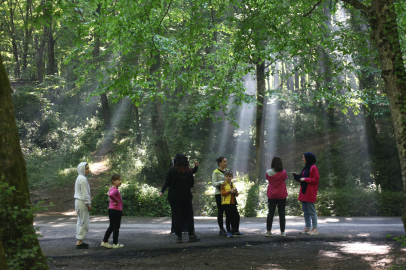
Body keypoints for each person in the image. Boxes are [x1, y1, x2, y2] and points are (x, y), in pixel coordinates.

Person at [166, 153, 200, 243]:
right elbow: (191, 184)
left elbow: (168, 183)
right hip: (186, 197)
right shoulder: (188, 172)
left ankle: (179, 236)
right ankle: (191, 235)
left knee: (177, 216)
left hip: (174, 197)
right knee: (189, 216)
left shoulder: (171, 171)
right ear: (186, 162)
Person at [292, 152, 320, 235]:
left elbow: (316, 180)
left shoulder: (313, 168)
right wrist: (297, 176)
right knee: (305, 211)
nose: (302, 159)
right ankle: (307, 227)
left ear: (308, 158)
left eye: (304, 157)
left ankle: (315, 229)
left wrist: (305, 179)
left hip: (310, 192)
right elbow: (302, 179)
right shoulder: (305, 168)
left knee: (312, 211)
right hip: (304, 192)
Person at [265, 156, 288, 237]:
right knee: (282, 212)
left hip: (271, 195)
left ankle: (268, 231)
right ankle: (282, 232)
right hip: (281, 194)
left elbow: (268, 179)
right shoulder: (284, 172)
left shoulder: (268, 172)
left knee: (271, 212)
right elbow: (284, 179)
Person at [101, 174, 124, 249]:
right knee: (116, 227)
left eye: (120, 180)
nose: (120, 181)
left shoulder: (112, 188)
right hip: (116, 210)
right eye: (118, 180)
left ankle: (105, 242)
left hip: (111, 210)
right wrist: (117, 200)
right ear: (113, 181)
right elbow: (110, 195)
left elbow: (110, 194)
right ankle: (115, 244)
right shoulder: (115, 189)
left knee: (111, 226)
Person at [220, 170, 244, 238]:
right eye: (226, 176)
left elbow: (236, 195)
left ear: (232, 177)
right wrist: (230, 191)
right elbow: (222, 193)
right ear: (224, 177)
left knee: (236, 217)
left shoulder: (233, 184)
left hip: (233, 203)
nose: (228, 177)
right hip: (226, 203)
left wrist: (236, 193)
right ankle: (228, 232)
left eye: (229, 176)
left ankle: (236, 231)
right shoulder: (223, 184)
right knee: (228, 217)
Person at [74, 162, 91, 249]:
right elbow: (85, 194)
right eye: (86, 168)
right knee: (84, 223)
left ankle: (79, 240)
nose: (88, 170)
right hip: (82, 202)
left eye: (88, 168)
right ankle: (79, 241)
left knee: (80, 221)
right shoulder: (83, 179)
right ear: (82, 169)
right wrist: (88, 204)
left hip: (78, 202)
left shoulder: (79, 178)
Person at [212, 156, 229, 236]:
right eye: (224, 161)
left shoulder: (227, 172)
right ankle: (221, 229)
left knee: (228, 211)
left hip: (227, 194)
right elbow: (214, 183)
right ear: (220, 163)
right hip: (219, 194)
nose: (226, 163)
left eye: (226, 161)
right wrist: (222, 182)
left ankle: (229, 228)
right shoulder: (215, 172)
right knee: (220, 211)